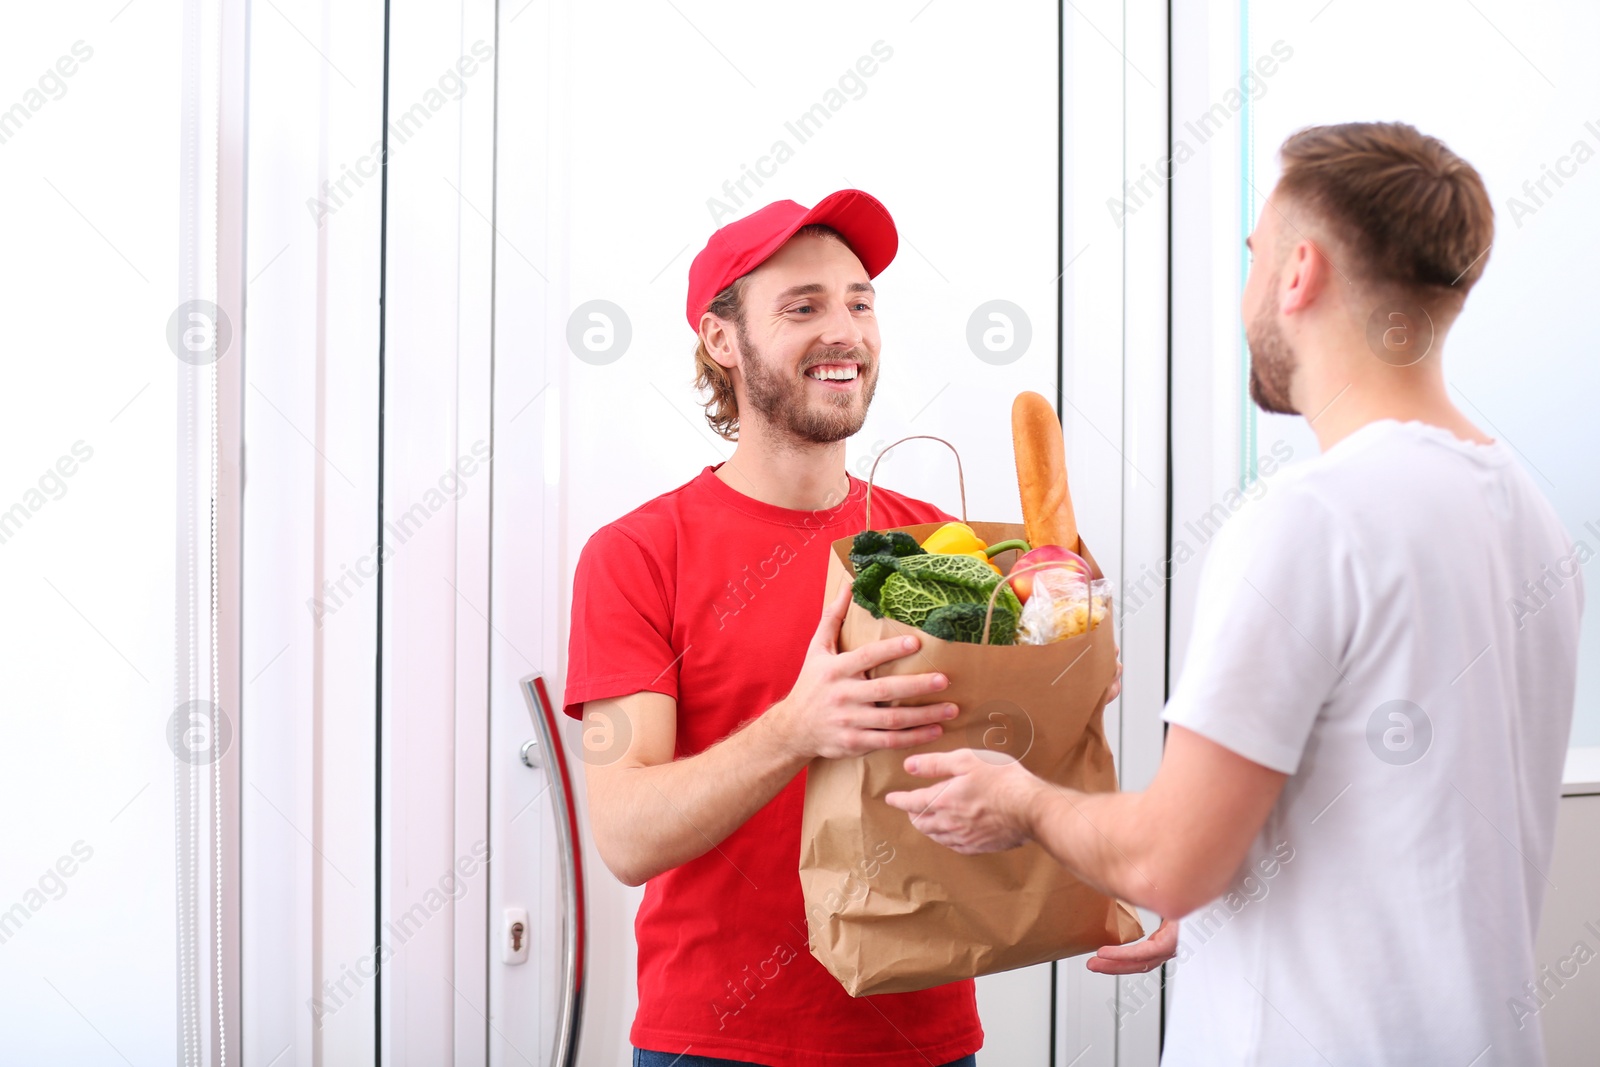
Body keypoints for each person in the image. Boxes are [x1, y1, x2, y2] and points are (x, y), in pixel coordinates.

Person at [886, 122, 1584, 1066]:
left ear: (1298, 273)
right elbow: (1399, 812)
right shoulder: (1528, 510)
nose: (1248, 288)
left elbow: (1168, 857)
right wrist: (1231, 912)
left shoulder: (1311, 516)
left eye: (1252, 256)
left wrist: (1020, 800)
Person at [563, 189, 1174, 1067]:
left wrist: (1059, 692)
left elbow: (996, 770)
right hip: (717, 1045)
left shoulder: (938, 542)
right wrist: (796, 727)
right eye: (802, 307)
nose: (844, 329)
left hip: (924, 1036)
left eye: (859, 301)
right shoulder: (636, 554)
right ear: (721, 340)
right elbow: (626, 834)